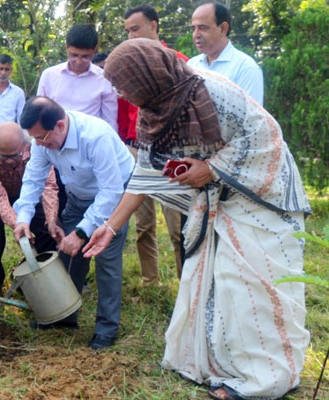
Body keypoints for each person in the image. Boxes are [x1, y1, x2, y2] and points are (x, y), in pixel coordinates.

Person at [87, 39, 310, 400]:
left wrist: (212, 168)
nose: (119, 93)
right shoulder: (152, 107)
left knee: (249, 286)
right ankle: (218, 367)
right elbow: (145, 173)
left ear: (145, 74)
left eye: (122, 83)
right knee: (214, 284)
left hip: (260, 198)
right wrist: (110, 227)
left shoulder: (214, 91)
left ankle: (265, 379)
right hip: (215, 200)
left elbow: (266, 136)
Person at [12, 97, 134, 349]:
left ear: (59, 125)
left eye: (42, 138)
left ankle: (106, 328)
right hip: (79, 196)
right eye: (33, 139)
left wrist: (82, 231)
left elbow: (110, 192)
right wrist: (22, 218)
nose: (38, 144)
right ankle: (65, 316)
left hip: (116, 198)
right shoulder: (42, 141)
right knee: (68, 256)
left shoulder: (95, 136)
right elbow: (33, 180)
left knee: (106, 260)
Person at [121, 4, 189, 284]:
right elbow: (124, 114)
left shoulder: (178, 62)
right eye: (127, 31)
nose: (130, 36)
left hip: (171, 153)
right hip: (137, 150)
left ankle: (187, 283)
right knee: (143, 223)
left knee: (178, 227)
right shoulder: (129, 66)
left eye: (135, 29)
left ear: (154, 26)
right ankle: (151, 280)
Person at [0, 122, 57, 297]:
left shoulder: (37, 149)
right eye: (3, 157)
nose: (10, 161)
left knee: (50, 228)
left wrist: (51, 219)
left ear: (24, 145)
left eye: (15, 155)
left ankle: (23, 274)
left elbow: (48, 185)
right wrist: (19, 224)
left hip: (27, 191)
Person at [36, 24, 117, 131]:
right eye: (74, 55)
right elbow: (39, 113)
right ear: (66, 47)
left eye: (85, 57)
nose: (78, 62)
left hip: (91, 141)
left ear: (94, 50)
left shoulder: (104, 78)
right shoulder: (49, 76)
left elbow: (109, 121)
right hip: (56, 140)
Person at [188, 1, 264, 105]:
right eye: (193, 29)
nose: (196, 34)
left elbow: (251, 118)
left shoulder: (245, 69)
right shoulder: (192, 65)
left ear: (223, 29)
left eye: (203, 28)